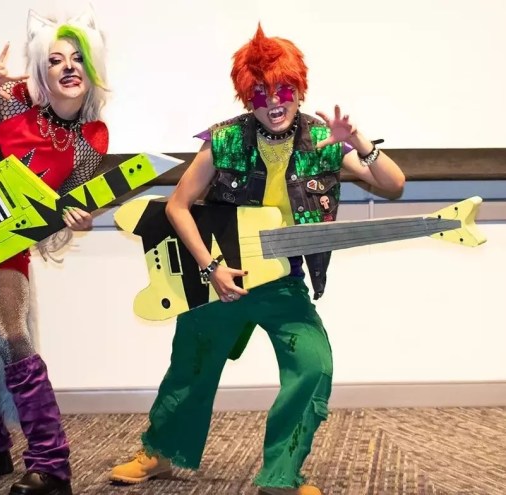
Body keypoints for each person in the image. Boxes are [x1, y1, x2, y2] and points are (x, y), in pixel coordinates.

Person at [109, 25, 405, 495]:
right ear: (248, 97)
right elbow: (177, 206)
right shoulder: (224, 140)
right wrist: (211, 268)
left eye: (284, 89)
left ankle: (281, 475)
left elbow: (394, 185)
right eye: (261, 93)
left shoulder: (322, 141)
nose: (274, 102)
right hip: (220, 279)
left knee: (313, 366)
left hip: (283, 282)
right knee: (191, 367)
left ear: (299, 90)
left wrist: (359, 141)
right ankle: (159, 453)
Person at [0, 8, 108, 495]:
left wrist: (76, 218)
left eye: (78, 59)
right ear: (42, 71)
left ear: (92, 68)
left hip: (5, 244)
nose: (68, 67)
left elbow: (64, 204)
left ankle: (51, 463)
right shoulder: (14, 99)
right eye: (56, 59)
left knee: (13, 339)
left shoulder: (91, 139)